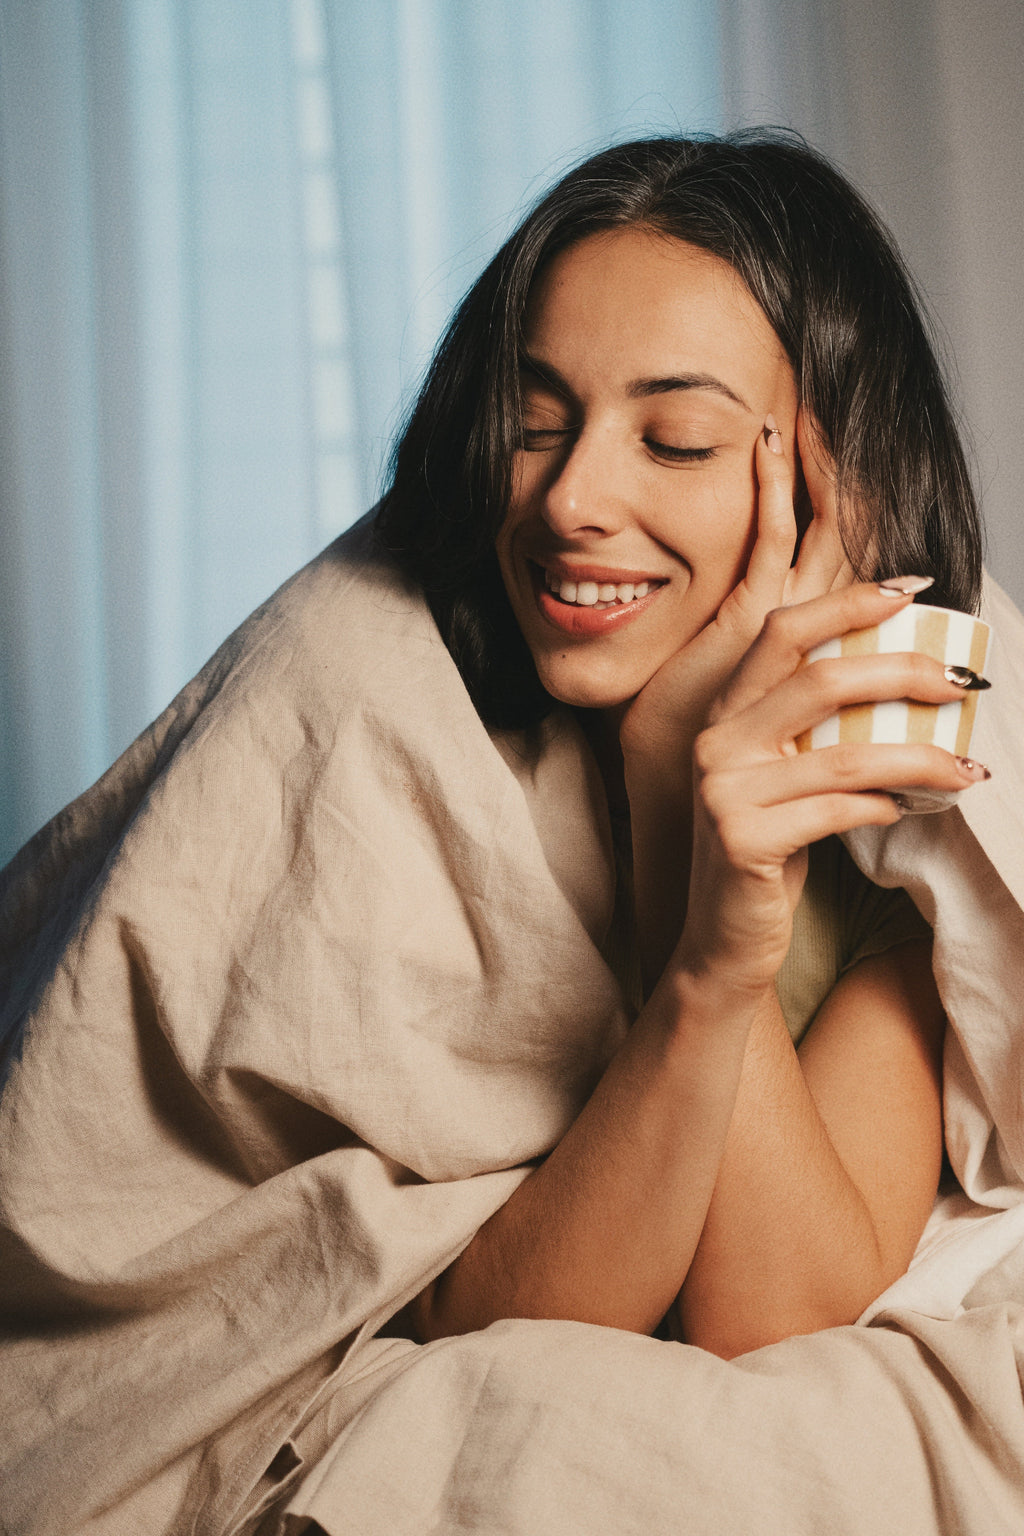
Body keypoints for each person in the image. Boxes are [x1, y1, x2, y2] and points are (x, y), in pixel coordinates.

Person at [3, 131, 1024, 1536]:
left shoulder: (918, 809)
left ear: (831, 492)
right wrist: (704, 942)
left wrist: (704, 849)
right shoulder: (361, 688)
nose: (569, 500)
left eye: (674, 438)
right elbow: (479, 1318)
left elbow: (778, 1317)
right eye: (537, 423)